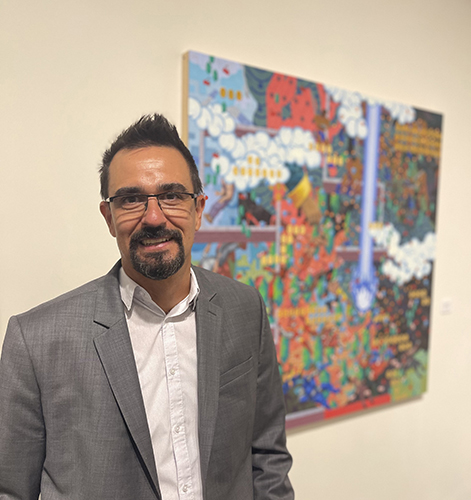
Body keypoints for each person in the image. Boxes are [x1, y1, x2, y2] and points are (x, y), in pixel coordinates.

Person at [0, 114, 294, 500]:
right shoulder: (35, 341)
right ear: (108, 217)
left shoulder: (245, 309)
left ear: (199, 209)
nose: (154, 217)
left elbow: (267, 455)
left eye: (172, 195)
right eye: (131, 199)